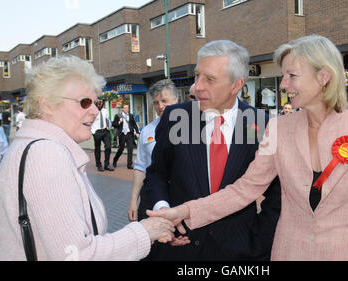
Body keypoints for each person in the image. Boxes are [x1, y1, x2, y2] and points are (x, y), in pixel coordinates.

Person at [148, 34, 348, 261]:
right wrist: (184, 211)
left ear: (323, 77)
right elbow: (244, 190)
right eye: (283, 76)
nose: (283, 85)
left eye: (292, 76)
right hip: (289, 253)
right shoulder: (277, 128)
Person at [0, 56, 175, 261]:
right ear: (47, 105)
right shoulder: (45, 155)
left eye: (96, 102)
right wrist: (144, 231)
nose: (94, 110)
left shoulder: (32, 145)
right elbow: (77, 255)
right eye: (84, 102)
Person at [138, 40, 281, 261]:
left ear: (236, 85)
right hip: (179, 249)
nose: (197, 87)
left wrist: (259, 240)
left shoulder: (258, 123)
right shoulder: (177, 118)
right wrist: (164, 219)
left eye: (209, 79)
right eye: (197, 76)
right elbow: (156, 174)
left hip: (238, 251)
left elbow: (276, 192)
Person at [128, 79, 178, 222]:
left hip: (179, 198)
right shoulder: (147, 131)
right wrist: (133, 201)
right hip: (151, 197)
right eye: (156, 102)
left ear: (176, 99)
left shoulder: (190, 129)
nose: (160, 106)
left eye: (164, 100)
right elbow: (140, 167)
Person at [112, 104, 140, 169]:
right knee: (121, 149)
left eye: (128, 108)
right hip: (122, 134)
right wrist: (119, 122)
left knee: (130, 149)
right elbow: (113, 124)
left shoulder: (130, 115)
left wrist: (137, 132)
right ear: (122, 109)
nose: (127, 109)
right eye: (125, 108)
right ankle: (115, 160)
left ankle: (129, 164)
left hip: (129, 134)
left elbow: (134, 124)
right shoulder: (118, 116)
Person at [91, 99, 114, 172]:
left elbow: (108, 120)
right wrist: (93, 132)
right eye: (98, 103)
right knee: (97, 149)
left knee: (108, 147)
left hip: (105, 131)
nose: (100, 104)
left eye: (101, 103)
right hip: (97, 132)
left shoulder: (105, 111)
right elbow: (90, 122)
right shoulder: (92, 112)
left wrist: (109, 126)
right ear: (96, 104)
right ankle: (99, 165)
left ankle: (106, 164)